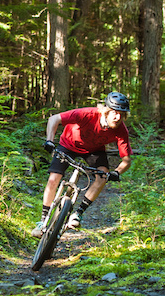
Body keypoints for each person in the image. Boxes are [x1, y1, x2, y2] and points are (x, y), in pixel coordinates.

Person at [31, 92, 133, 238]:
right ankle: (42, 220)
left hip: (94, 151)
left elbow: (127, 160)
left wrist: (117, 172)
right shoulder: (87, 114)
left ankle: (77, 215)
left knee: (102, 176)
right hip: (68, 144)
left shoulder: (121, 130)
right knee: (54, 178)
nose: (118, 118)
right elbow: (54, 119)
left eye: (121, 115)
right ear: (107, 111)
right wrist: (49, 140)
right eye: (115, 113)